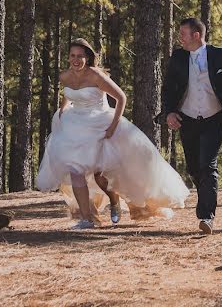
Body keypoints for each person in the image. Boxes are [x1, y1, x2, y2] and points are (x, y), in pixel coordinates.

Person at [37, 38, 189, 229]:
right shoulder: (65, 76)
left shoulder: (96, 76)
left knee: (103, 176)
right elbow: (68, 93)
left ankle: (115, 201)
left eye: (80, 56)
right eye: (72, 56)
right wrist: (62, 110)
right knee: (76, 171)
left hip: (100, 125)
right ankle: (86, 219)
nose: (76, 60)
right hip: (75, 127)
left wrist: (113, 126)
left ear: (88, 57)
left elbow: (121, 98)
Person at [161, 18, 222, 234]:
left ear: (196, 35)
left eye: (183, 33)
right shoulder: (178, 57)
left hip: (214, 118)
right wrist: (170, 111)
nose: (179, 37)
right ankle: (205, 198)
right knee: (193, 167)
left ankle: (207, 216)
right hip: (187, 119)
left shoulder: (220, 54)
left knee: (208, 165)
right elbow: (169, 87)